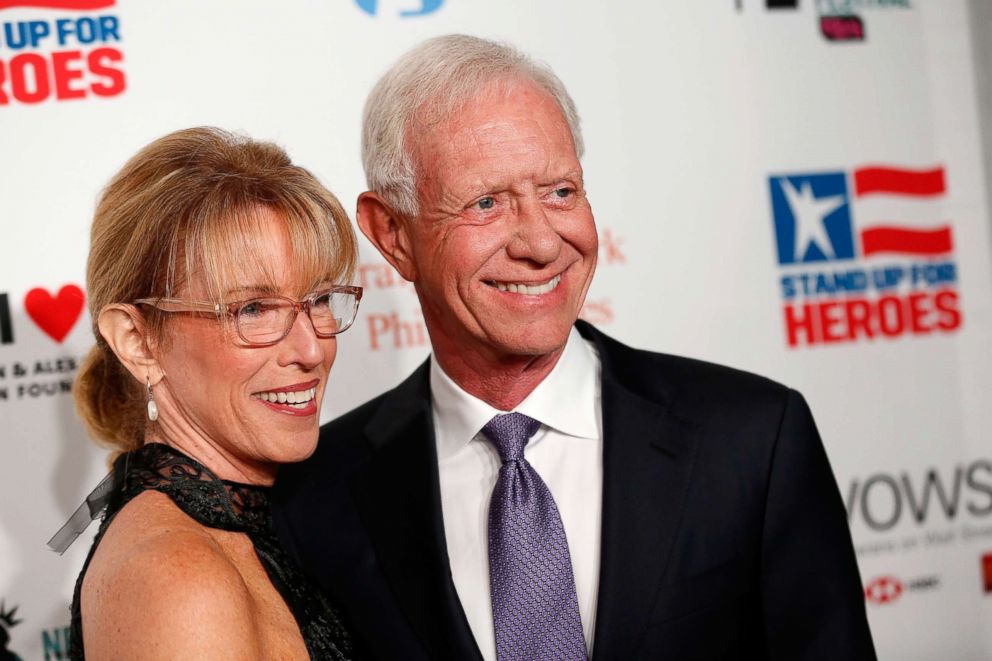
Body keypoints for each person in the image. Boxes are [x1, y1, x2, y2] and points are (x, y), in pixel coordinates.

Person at [272, 35, 876, 660]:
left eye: (561, 192)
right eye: (486, 203)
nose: (540, 242)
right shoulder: (315, 500)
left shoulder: (753, 438)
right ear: (393, 233)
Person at [69, 127, 361, 660]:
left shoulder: (261, 525)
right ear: (138, 342)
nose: (311, 350)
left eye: (318, 298)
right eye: (252, 310)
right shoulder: (177, 578)